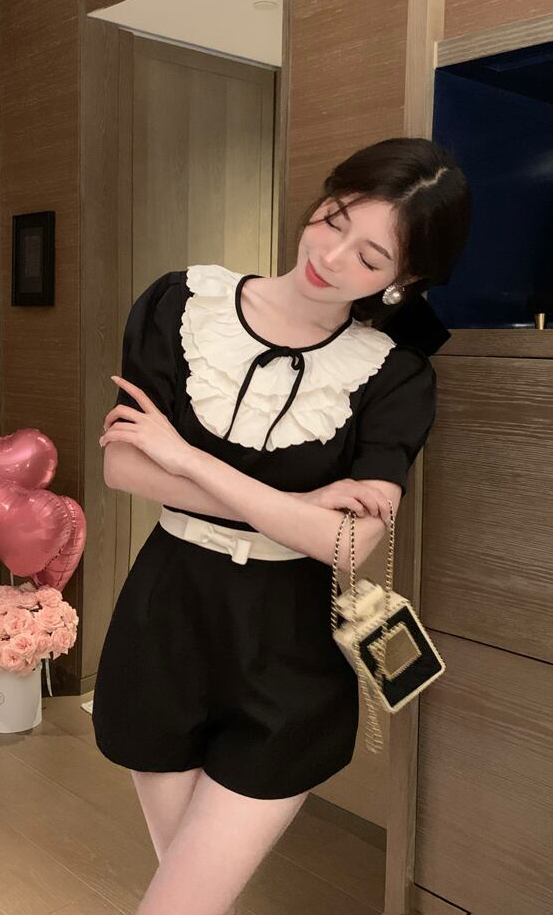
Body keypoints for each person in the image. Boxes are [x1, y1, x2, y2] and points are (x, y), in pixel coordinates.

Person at [93, 136, 471, 915]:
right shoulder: (181, 304)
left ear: (404, 281)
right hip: (167, 617)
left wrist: (188, 461)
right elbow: (124, 468)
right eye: (334, 219)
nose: (331, 257)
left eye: (370, 257)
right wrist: (296, 508)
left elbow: (347, 543)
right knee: (192, 896)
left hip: (290, 648)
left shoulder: (393, 375)